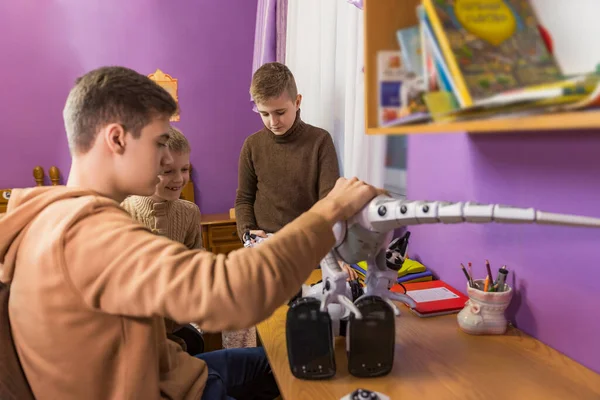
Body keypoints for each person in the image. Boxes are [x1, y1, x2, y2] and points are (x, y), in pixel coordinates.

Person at [0, 66, 380, 400]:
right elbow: (233, 294)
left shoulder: (48, 216)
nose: (168, 162)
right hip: (172, 390)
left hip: (175, 372)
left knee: (292, 359)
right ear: (116, 139)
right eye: (159, 143)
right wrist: (332, 209)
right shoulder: (91, 235)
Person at [235, 62, 358, 281]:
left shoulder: (320, 141)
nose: (273, 122)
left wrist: (334, 255)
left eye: (280, 112)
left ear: (297, 101)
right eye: (264, 114)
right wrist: (247, 231)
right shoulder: (252, 145)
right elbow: (244, 199)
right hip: (265, 244)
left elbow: (329, 204)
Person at [121, 125, 203, 353]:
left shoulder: (190, 213)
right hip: (136, 331)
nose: (178, 179)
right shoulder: (122, 212)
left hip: (175, 322)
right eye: (167, 171)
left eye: (184, 169)